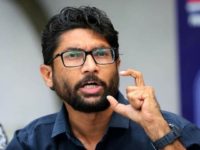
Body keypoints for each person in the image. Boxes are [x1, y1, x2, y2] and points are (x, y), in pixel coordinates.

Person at [6, 6, 200, 150]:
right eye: (73, 56)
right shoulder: (30, 143)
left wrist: (159, 132)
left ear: (117, 65)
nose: (91, 67)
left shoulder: (172, 130)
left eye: (101, 54)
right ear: (48, 75)